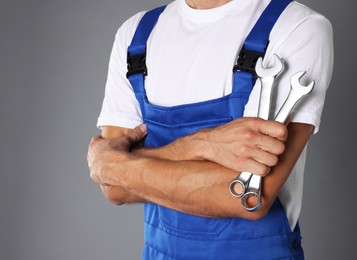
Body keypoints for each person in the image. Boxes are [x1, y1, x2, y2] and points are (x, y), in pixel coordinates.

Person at [87, 0, 333, 258]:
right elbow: (115, 187)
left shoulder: (296, 26)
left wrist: (118, 164)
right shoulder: (135, 34)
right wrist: (204, 145)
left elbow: (247, 198)